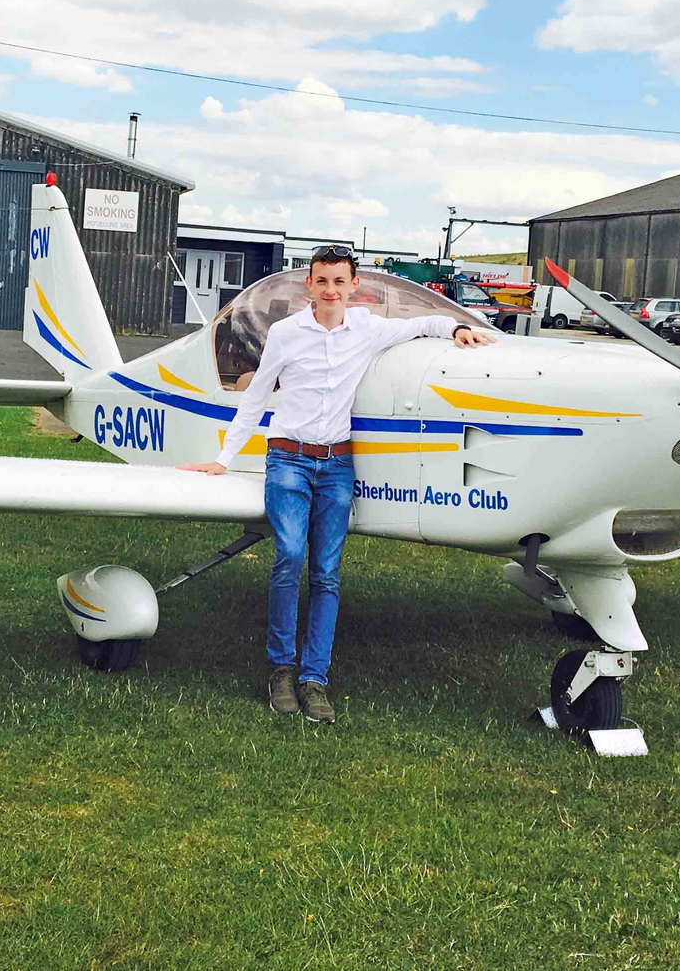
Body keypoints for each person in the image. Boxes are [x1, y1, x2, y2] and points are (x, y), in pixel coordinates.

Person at [179, 246, 494, 722]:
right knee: (289, 557)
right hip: (288, 458)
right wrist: (224, 460)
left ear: (353, 288)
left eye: (338, 282)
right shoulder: (285, 334)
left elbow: (424, 324)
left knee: (327, 572)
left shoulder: (366, 327)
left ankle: (315, 678)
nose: (330, 290)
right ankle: (281, 669)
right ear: (310, 285)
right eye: (321, 281)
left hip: (336, 465)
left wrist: (458, 329)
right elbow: (258, 395)